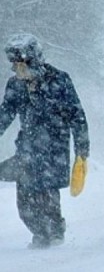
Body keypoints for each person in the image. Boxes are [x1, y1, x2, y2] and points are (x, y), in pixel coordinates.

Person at [0, 33, 90, 249]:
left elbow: (77, 116)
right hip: (27, 150)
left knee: (46, 195)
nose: (17, 70)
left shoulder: (59, 81)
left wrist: (81, 150)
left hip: (53, 149)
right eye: (14, 65)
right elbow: (5, 114)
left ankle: (55, 234)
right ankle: (39, 234)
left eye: (21, 64)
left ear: (34, 61)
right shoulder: (15, 85)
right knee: (25, 202)